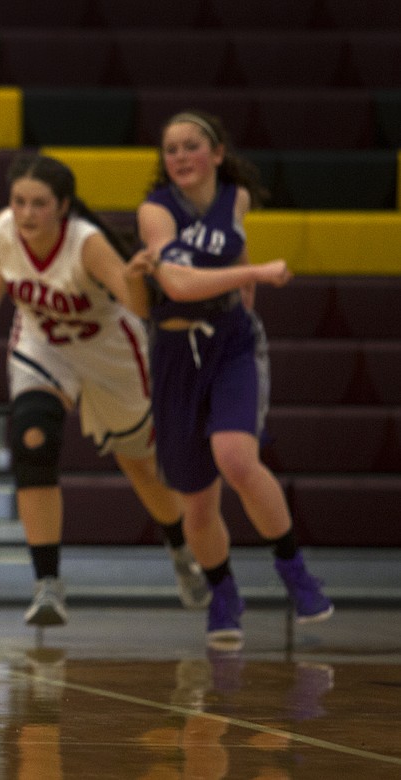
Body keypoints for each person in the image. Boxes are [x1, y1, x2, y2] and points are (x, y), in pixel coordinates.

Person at [0, 153, 212, 627]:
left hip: (110, 355)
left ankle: (180, 549)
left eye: (39, 204)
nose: (27, 213)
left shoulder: (88, 244)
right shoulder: (2, 228)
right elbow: (9, 268)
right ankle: (48, 586)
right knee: (32, 442)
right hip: (43, 346)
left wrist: (138, 278)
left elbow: (137, 306)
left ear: (63, 207)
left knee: (139, 466)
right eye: (20, 202)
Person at [133, 110, 332, 649]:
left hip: (232, 343)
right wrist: (256, 274)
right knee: (196, 502)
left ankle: (295, 570)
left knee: (237, 458)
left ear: (217, 153)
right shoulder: (156, 212)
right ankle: (224, 592)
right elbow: (174, 282)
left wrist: (244, 296)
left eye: (191, 146)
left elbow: (233, 247)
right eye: (170, 149)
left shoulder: (236, 198)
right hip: (176, 354)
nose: (179, 157)